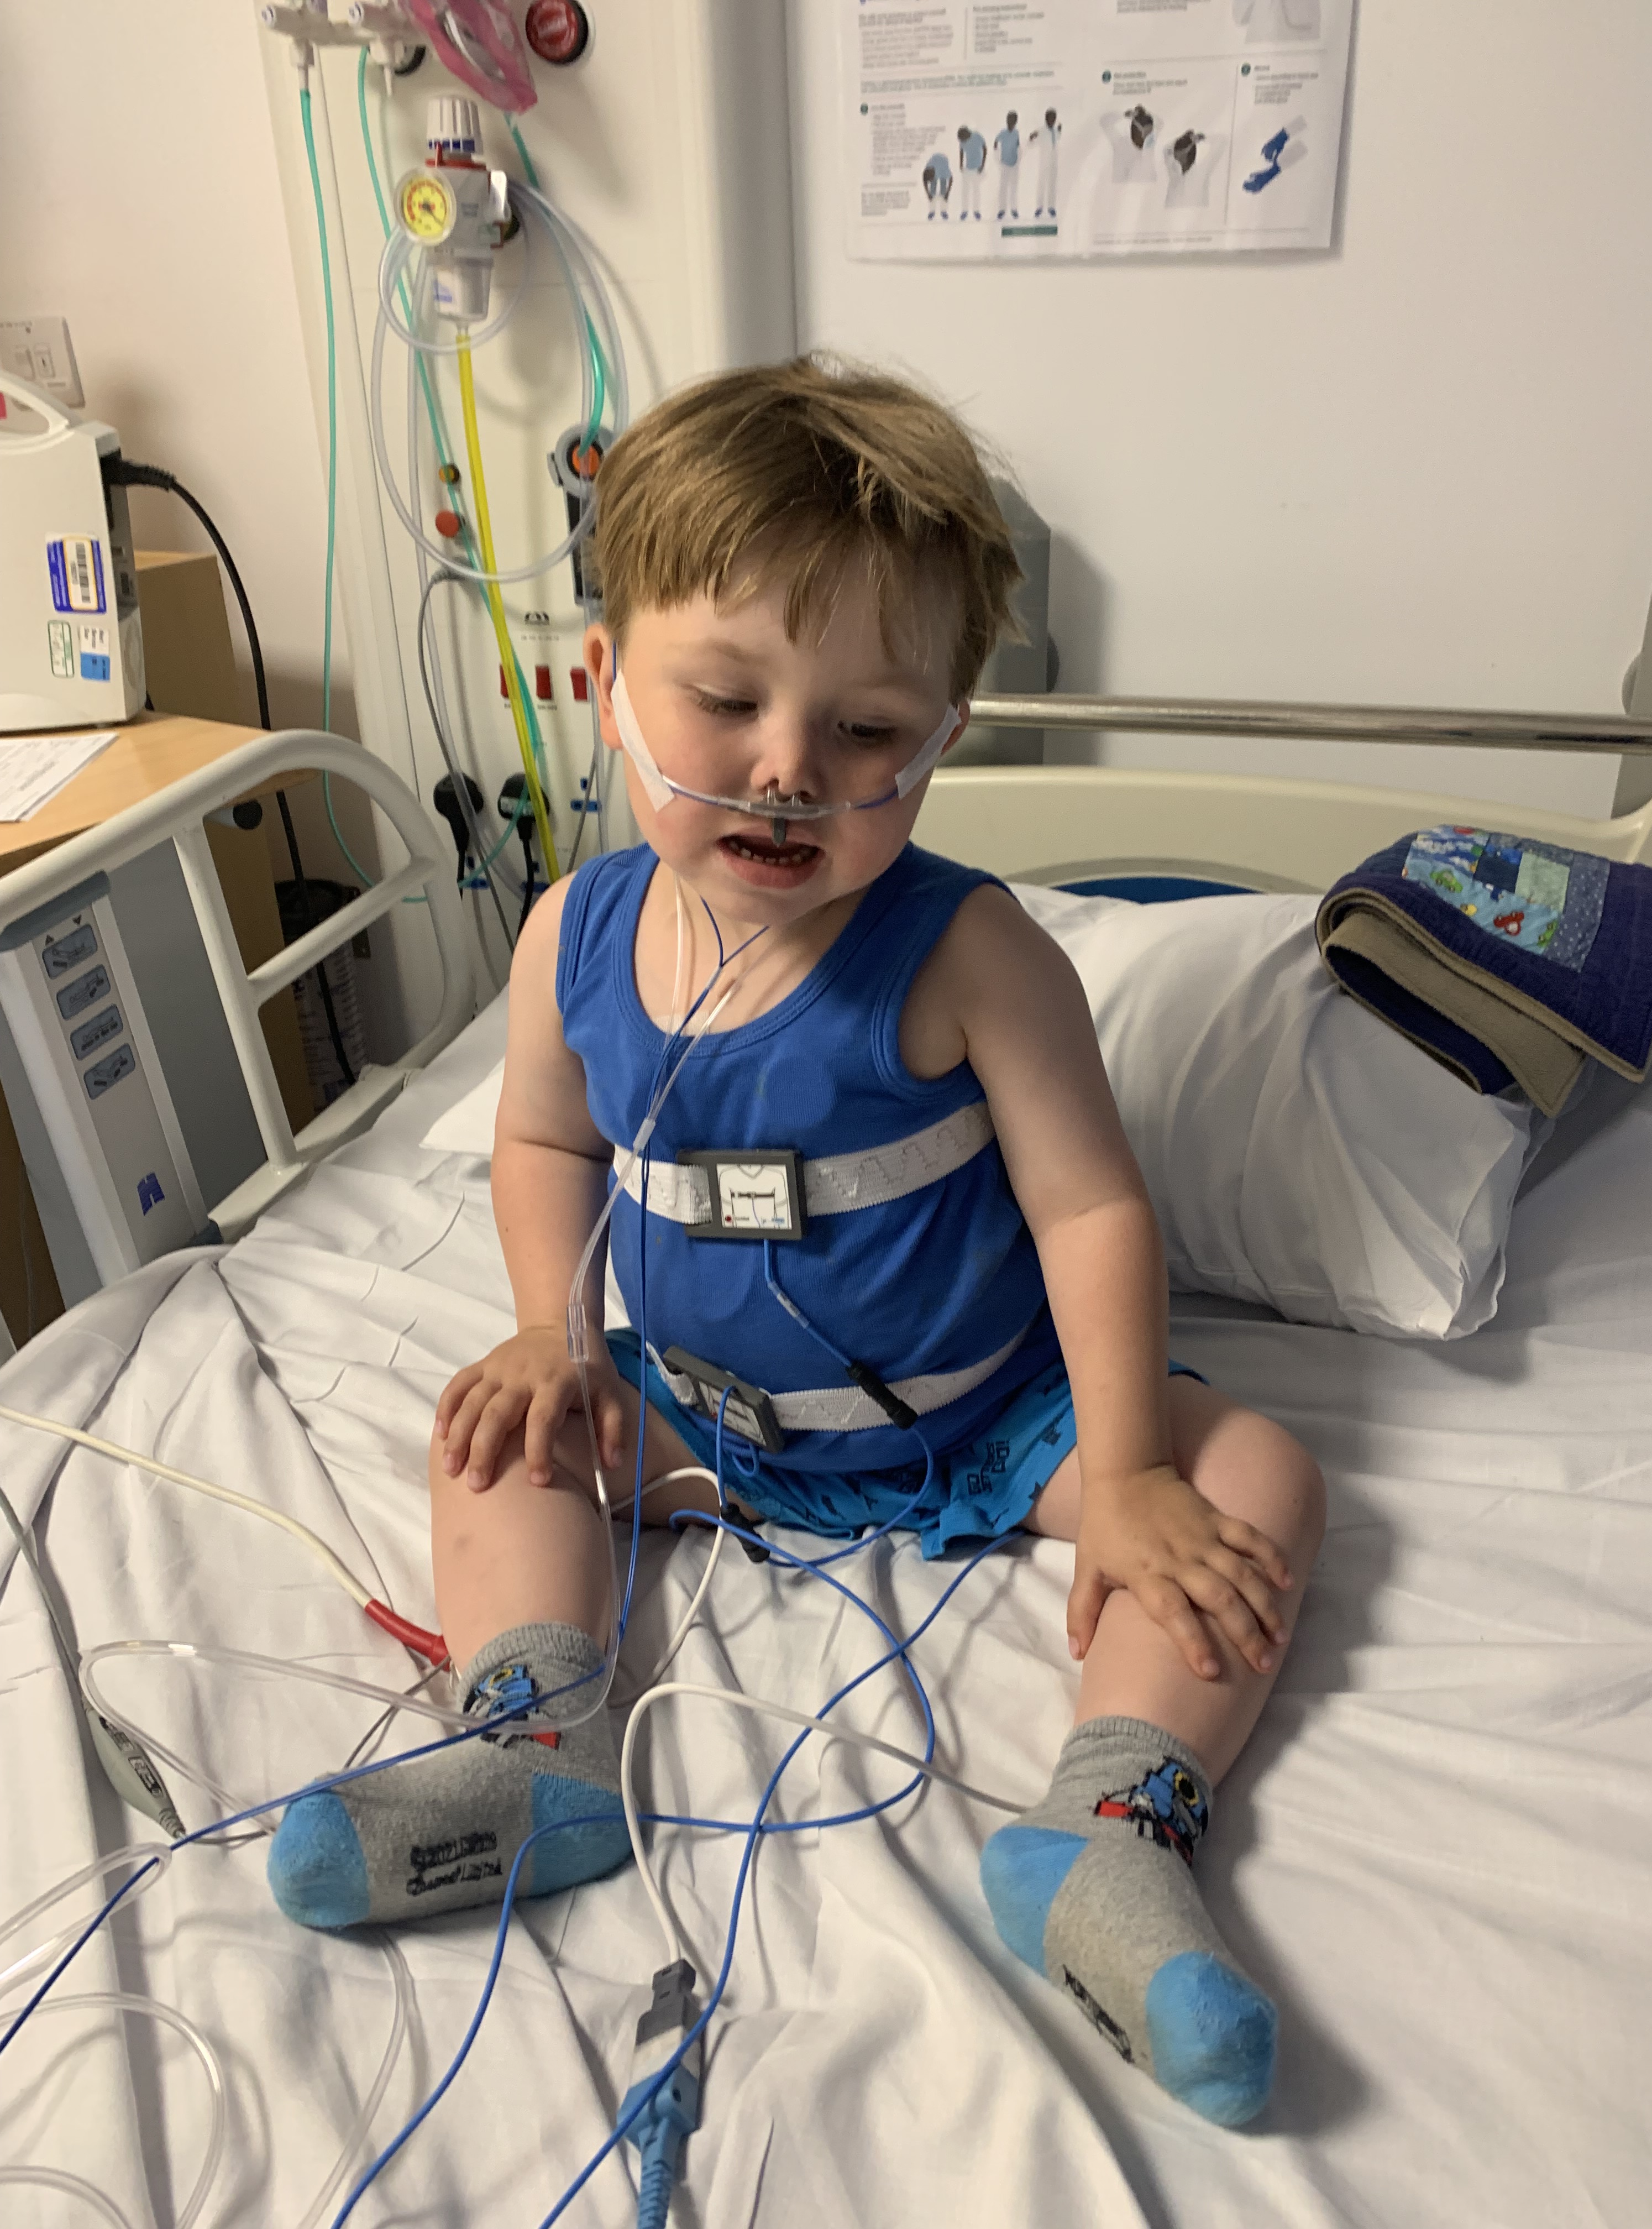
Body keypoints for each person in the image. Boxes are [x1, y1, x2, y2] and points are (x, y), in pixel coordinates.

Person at [266, 357, 1325, 2130]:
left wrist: (1132, 1468)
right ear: (607, 677)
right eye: (727, 698)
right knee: (502, 1439)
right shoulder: (571, 938)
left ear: (945, 737)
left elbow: (1091, 1205)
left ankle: (1106, 1831)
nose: (787, 769)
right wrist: (550, 1333)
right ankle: (540, 1740)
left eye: (864, 731)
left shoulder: (974, 955)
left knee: (1260, 1476)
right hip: (703, 1420)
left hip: (987, 1424)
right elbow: (542, 1138)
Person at [1029, 106, 1061, 217]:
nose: (1052, 120)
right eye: (1050, 118)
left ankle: (1051, 207)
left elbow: (1057, 139)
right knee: (1042, 184)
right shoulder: (1041, 131)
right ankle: (1039, 207)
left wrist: (1060, 131)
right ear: (1046, 118)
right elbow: (1032, 144)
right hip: (1044, 162)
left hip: (1054, 162)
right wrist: (1031, 138)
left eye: (1054, 118)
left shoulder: (1055, 131)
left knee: (1052, 185)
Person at [993, 111, 1021, 218]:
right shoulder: (1002, 133)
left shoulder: (1016, 133)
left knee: (1014, 188)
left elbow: (1018, 146)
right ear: (1007, 120)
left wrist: (1017, 160)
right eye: (1009, 120)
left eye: (1013, 121)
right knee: (1003, 188)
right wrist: (998, 159)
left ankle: (1014, 209)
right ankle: (1002, 210)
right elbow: (996, 143)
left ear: (1016, 122)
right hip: (1005, 165)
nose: (1011, 122)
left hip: (1014, 165)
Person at [957, 122, 986, 219]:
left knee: (976, 190)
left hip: (977, 168)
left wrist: (983, 165)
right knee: (965, 191)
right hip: (967, 168)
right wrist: (961, 164)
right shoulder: (962, 141)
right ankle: (965, 211)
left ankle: (976, 211)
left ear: (967, 134)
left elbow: (985, 148)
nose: (963, 141)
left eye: (964, 139)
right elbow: (961, 151)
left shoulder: (977, 136)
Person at [922, 148, 953, 218]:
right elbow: (925, 182)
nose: (931, 181)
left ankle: (944, 211)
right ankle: (932, 211)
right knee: (932, 191)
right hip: (934, 164)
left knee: (943, 191)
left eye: (931, 179)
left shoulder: (944, 171)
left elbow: (951, 179)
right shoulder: (927, 170)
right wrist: (928, 194)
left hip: (943, 163)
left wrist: (948, 193)